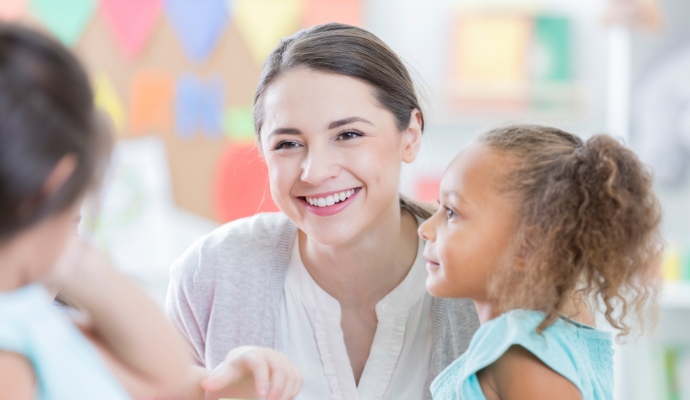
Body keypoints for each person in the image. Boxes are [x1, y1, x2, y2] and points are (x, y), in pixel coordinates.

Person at [165, 23, 479, 400]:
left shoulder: (482, 279)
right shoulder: (212, 273)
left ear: (409, 136)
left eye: (348, 135)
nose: (315, 172)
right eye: (288, 143)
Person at [0, 23, 190, 399]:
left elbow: (166, 371)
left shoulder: (27, 311)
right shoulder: (10, 355)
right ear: (55, 184)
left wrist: (50, 243)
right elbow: (162, 377)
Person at [419, 125, 663, 399]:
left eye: (451, 212)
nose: (425, 228)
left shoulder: (520, 350)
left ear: (527, 247)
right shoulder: (558, 329)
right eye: (438, 206)